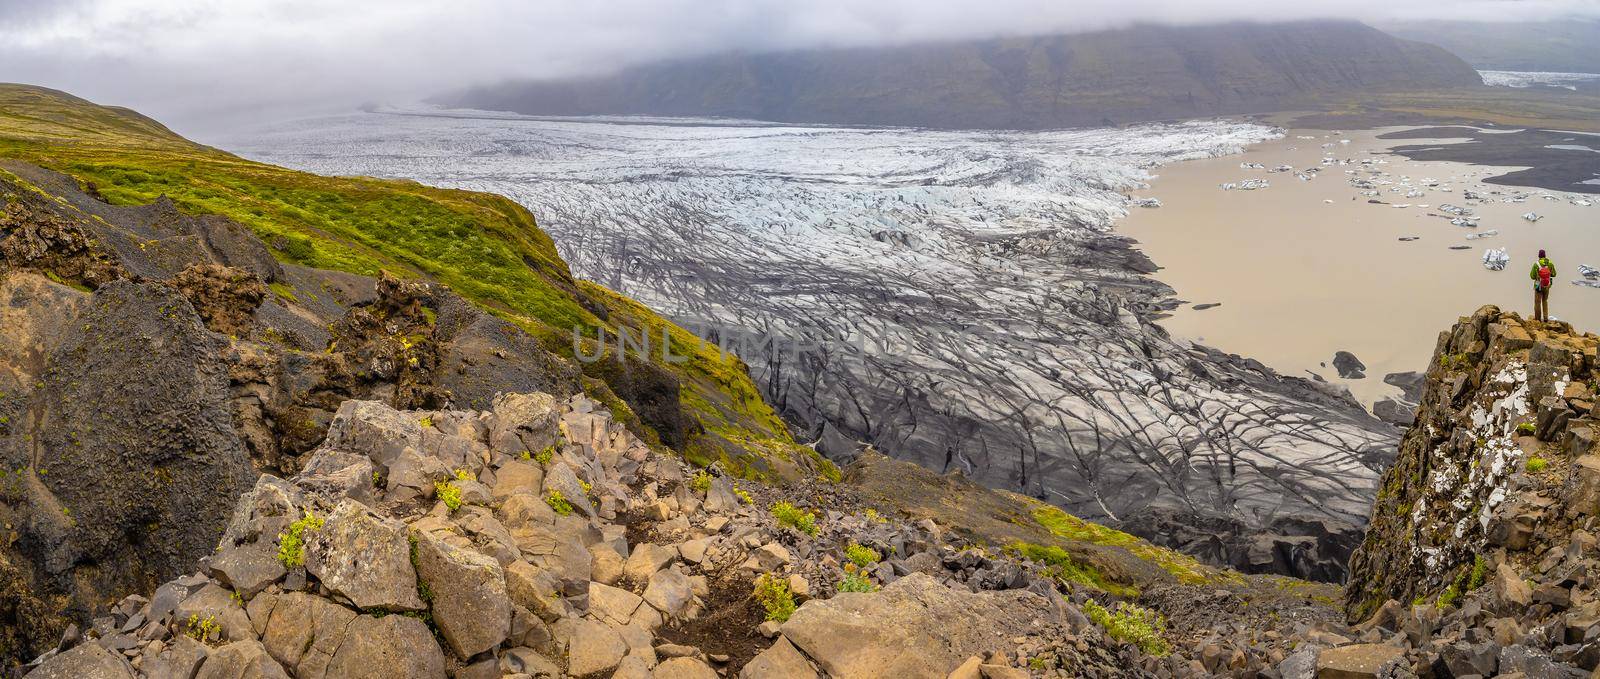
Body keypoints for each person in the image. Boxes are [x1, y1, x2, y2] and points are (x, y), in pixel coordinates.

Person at [1530, 249, 1558, 322]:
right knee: (1545, 301)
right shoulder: (1550, 263)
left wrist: (1538, 275)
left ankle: (1537, 319)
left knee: (1537, 302)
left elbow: (1532, 276)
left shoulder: (1536, 264)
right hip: (1547, 285)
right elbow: (1554, 274)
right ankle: (1545, 318)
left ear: (1539, 256)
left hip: (1538, 285)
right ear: (1545, 255)